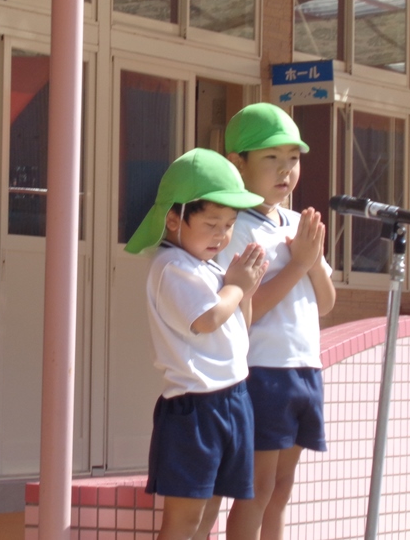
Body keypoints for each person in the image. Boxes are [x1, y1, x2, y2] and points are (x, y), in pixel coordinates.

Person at [124, 148, 269, 540]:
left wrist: (245, 290)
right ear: (174, 219)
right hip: (195, 409)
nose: (222, 235)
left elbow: (239, 326)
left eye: (230, 225)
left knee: (207, 518)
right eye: (211, 223)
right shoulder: (171, 266)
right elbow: (207, 319)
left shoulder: (211, 267)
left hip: (233, 399)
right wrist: (237, 286)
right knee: (184, 521)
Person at [220, 103, 337, 540]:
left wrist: (312, 260)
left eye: (293, 158)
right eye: (271, 157)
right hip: (263, 370)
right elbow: (246, 308)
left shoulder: (297, 222)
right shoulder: (236, 226)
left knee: (283, 488)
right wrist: (299, 262)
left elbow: (326, 303)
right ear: (238, 163)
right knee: (258, 487)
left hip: (305, 368)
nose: (286, 169)